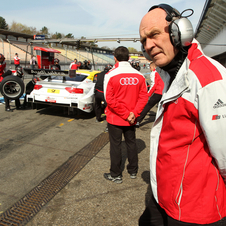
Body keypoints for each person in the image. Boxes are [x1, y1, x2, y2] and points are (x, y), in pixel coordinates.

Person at [139, 3, 226, 225]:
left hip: (195, 210)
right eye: (143, 41)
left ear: (181, 32)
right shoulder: (171, 72)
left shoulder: (207, 78)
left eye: (154, 35)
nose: (149, 45)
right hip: (166, 197)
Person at [103, 46, 148, 184]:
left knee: (115, 146)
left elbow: (109, 99)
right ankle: (133, 170)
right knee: (131, 143)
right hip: (132, 118)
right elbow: (144, 98)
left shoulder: (110, 74)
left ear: (115, 57)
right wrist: (133, 114)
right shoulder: (139, 75)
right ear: (129, 58)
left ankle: (116, 174)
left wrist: (125, 114)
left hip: (115, 117)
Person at [136, 61, 164, 127]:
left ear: (154, 67)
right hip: (164, 92)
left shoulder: (154, 73)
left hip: (158, 92)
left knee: (148, 106)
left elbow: (154, 84)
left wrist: (148, 94)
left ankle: (138, 121)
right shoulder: (162, 72)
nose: (150, 68)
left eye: (150, 67)